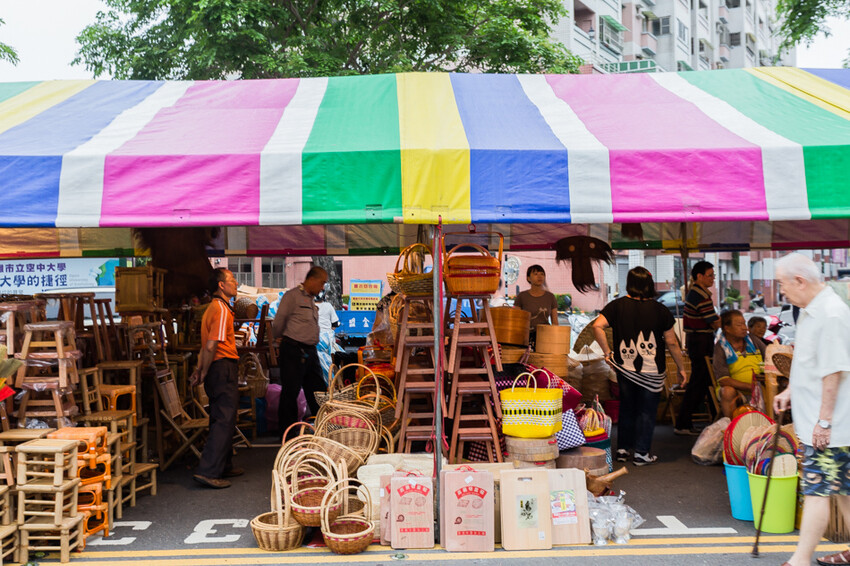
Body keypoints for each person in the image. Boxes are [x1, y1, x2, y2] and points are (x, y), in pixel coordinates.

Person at [774, 254, 850, 566]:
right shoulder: (812, 310)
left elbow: (834, 371)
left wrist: (824, 421)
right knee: (843, 492)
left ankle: (800, 559)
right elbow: (811, 362)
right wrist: (791, 390)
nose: (781, 290)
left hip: (830, 428)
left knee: (817, 491)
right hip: (824, 425)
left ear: (800, 281)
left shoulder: (830, 314)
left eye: (783, 284)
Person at [592, 266, 687, 466]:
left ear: (630, 283)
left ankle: (623, 450)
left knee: (627, 407)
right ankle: (642, 453)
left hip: (625, 369)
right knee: (647, 411)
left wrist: (607, 352)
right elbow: (672, 342)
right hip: (652, 371)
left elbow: (597, 326)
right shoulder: (660, 310)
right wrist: (681, 368)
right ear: (649, 284)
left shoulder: (617, 306)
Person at [190, 268, 243, 489]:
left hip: (216, 367)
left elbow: (205, 347)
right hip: (222, 367)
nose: (236, 283)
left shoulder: (213, 308)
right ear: (221, 285)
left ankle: (224, 465)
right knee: (224, 419)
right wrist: (204, 371)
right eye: (232, 279)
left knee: (221, 417)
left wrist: (201, 369)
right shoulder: (221, 309)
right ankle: (209, 471)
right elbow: (211, 346)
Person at [273, 266, 328, 438]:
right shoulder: (292, 296)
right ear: (312, 279)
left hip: (310, 351)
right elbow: (278, 322)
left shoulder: (311, 300)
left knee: (319, 392)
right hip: (293, 350)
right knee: (290, 393)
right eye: (322, 283)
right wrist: (279, 338)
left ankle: (324, 430)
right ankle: (287, 435)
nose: (322, 287)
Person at [675, 260, 720, 435]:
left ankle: (716, 419)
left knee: (706, 382)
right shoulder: (699, 295)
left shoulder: (697, 293)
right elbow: (713, 321)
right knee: (698, 383)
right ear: (699, 276)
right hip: (700, 341)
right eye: (710, 275)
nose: (713, 279)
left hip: (698, 340)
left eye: (713, 276)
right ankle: (683, 424)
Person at [714, 310, 766, 418]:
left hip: (759, 388)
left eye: (744, 324)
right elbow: (723, 380)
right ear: (727, 328)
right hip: (737, 391)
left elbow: (769, 357)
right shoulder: (721, 347)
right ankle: (732, 425)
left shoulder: (753, 340)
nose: (744, 328)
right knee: (727, 391)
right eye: (739, 325)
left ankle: (771, 424)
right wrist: (750, 387)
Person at [513, 264, 558, 345]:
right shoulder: (522, 296)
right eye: (536, 274)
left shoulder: (550, 297)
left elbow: (555, 322)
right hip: (526, 337)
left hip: (545, 337)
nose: (540, 276)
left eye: (542, 274)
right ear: (528, 278)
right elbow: (516, 320)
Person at [315, 291, 341, 383]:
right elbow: (335, 323)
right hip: (327, 340)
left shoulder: (309, 306)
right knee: (334, 359)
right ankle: (333, 382)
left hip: (314, 340)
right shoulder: (328, 306)